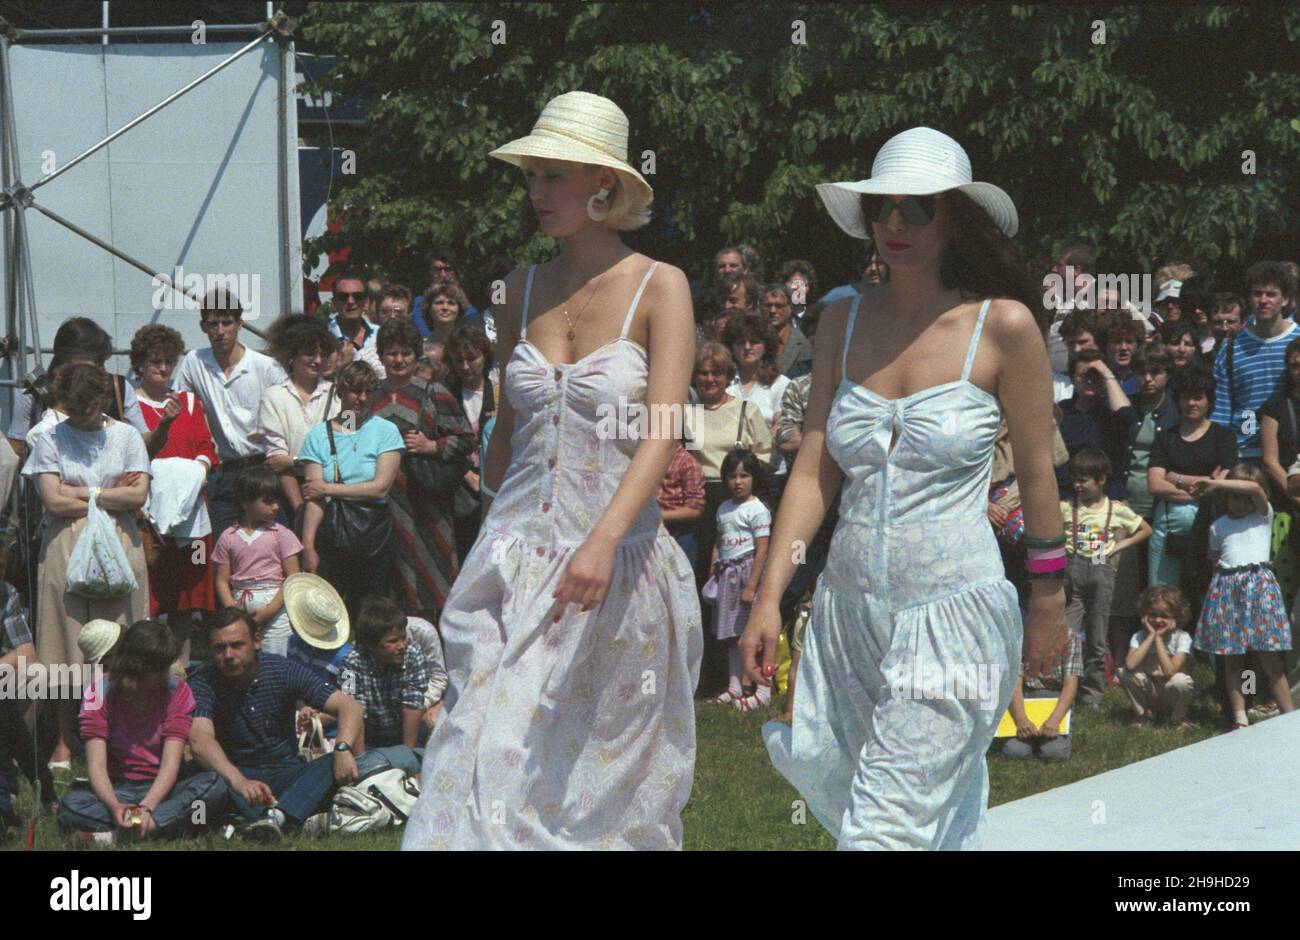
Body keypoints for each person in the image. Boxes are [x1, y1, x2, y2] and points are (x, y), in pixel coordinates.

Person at [741, 126, 1067, 850]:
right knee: (913, 816)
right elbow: (816, 468)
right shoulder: (841, 320)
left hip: (952, 612)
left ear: (955, 217)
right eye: (881, 207)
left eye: (916, 208)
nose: (893, 223)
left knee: (885, 829)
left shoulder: (1004, 326)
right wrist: (769, 594)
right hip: (847, 613)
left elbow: (1040, 477)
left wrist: (1048, 601)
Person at [401, 91, 702, 851]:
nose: (536, 193)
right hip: (515, 559)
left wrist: (601, 541)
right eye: (531, 176)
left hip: (617, 565)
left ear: (605, 185)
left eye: (553, 175)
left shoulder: (659, 285)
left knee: (596, 787)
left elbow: (663, 432)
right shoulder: (521, 290)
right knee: (477, 746)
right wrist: (487, 525)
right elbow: (508, 426)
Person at [21, 363, 151, 771]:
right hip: (66, 541)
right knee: (63, 636)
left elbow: (139, 496)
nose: (81, 414)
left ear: (102, 399)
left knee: (121, 635)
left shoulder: (126, 436)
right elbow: (53, 501)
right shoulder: (50, 438)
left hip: (118, 540)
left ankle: (122, 733)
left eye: (89, 405)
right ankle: (63, 739)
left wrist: (87, 491)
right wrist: (112, 492)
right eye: (73, 406)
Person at [188, 608, 364, 840]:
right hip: (236, 773)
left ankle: (273, 817)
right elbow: (200, 739)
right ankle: (288, 815)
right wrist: (239, 781)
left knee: (331, 763)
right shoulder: (204, 681)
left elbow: (350, 706)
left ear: (257, 641)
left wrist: (343, 748)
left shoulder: (282, 669)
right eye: (219, 648)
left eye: (236, 645)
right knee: (202, 776)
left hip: (286, 771)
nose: (228, 655)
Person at [57, 620, 227, 843]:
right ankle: (163, 825)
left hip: (164, 788)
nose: (167, 673)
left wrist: (146, 807)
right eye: (161, 668)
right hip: (118, 788)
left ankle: (116, 835)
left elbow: (170, 765)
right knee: (70, 806)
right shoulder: (98, 692)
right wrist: (115, 805)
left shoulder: (177, 690)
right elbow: (96, 766)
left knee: (215, 785)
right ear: (140, 668)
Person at [369, 318, 476, 617]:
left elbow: (467, 438)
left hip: (428, 507)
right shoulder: (370, 396)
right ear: (380, 356)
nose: (399, 359)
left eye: (405, 352)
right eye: (391, 353)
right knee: (391, 589)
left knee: (436, 585)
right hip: (384, 505)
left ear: (417, 355)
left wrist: (433, 446)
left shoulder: (434, 391)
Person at [129, 325, 219, 670]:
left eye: (169, 362)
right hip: (150, 519)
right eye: (155, 361)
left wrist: (198, 469)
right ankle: (150, 664)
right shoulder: (130, 405)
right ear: (140, 363)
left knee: (187, 594)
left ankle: (181, 667)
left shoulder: (189, 401)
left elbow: (206, 447)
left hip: (192, 520)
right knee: (153, 595)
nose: (163, 368)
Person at [170, 289, 288, 538]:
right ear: (203, 327)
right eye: (213, 324)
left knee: (274, 546)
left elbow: (288, 412)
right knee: (225, 549)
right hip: (225, 473)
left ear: (240, 324)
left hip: (263, 467)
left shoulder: (265, 367)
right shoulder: (194, 361)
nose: (220, 331)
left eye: (227, 322)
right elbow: (180, 410)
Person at [1190, 463, 1294, 727]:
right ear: (1226, 497)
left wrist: (1218, 484)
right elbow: (1216, 560)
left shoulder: (1262, 516)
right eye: (1235, 496)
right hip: (1228, 591)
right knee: (1234, 658)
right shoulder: (1218, 526)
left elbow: (1255, 487)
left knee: (1269, 658)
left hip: (1259, 590)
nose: (1241, 502)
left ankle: (1289, 717)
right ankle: (1240, 717)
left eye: (1246, 497)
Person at [300, 361, 404, 615]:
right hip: (331, 532)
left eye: (369, 392)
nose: (362, 399)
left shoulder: (386, 431)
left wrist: (328, 489)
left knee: (372, 610)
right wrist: (308, 544)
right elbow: (314, 497)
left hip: (372, 533)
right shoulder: (318, 436)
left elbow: (380, 488)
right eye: (356, 391)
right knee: (330, 609)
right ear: (341, 392)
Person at [1060, 448, 1151, 709]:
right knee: (1069, 636)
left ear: (1101, 480)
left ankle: (1092, 696)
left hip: (1101, 565)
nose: (1077, 485)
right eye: (1075, 479)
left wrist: (1117, 548)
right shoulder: (1067, 508)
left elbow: (1145, 530)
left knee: (1098, 638)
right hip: (1073, 568)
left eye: (1083, 480)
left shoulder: (1116, 509)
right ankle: (1066, 691)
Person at [1147, 365, 1239, 590]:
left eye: (1198, 398)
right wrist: (1202, 488)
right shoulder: (1165, 438)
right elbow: (1155, 484)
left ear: (1209, 400)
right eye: (1186, 398)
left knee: (1209, 592)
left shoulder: (1224, 437)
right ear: (1178, 400)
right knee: (1162, 594)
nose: (1191, 404)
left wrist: (1176, 477)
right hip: (1168, 526)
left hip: (1212, 524)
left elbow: (1224, 482)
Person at [1210, 261, 1299, 462]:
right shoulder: (1232, 346)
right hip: (1244, 450)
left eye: (1271, 294)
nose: (1263, 300)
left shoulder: (1297, 341)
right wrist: (1218, 454)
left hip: (1290, 451)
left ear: (1285, 299)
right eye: (1257, 294)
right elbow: (1223, 406)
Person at [255, 315, 340, 525]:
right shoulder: (273, 397)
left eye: (323, 354)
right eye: (310, 354)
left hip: (333, 492)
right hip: (287, 495)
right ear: (292, 356)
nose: (318, 360)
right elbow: (277, 460)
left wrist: (294, 461)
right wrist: (300, 510)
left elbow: (347, 448)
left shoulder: (340, 394)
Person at [703, 449, 771, 711]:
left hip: (747, 574)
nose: (738, 482)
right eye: (732, 476)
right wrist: (713, 569)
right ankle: (734, 687)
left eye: (744, 475)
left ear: (754, 477)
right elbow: (719, 542)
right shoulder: (723, 508)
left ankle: (763, 689)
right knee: (731, 633)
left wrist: (752, 585)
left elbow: (763, 549)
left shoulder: (757, 509)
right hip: (727, 577)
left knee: (753, 635)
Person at [213, 466, 303, 656]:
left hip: (276, 606)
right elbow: (222, 580)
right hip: (240, 605)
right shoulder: (228, 537)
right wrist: (233, 610)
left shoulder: (282, 534)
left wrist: (269, 611)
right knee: (243, 657)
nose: (276, 507)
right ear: (245, 502)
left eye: (276, 501)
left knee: (277, 656)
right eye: (268, 502)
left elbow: (293, 577)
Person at [337, 595, 431, 752]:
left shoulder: (413, 654)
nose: (401, 646)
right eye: (393, 641)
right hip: (370, 735)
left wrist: (407, 754)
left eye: (403, 638)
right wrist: (362, 761)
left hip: (405, 731)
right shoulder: (352, 663)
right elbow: (353, 711)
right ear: (370, 644)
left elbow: (412, 706)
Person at [724, 314, 791, 501]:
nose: (747, 347)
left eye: (754, 342)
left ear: (766, 346)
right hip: (729, 478)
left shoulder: (780, 384)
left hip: (769, 477)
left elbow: (781, 425)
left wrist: (750, 457)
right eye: (740, 342)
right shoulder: (724, 382)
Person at [445, 324, 497, 561]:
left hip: (496, 486)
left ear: (484, 356)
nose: (465, 366)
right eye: (458, 360)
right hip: (459, 488)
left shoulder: (499, 392)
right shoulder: (444, 394)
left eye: (471, 358)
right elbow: (439, 440)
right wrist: (466, 474)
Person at [1056, 348, 1133, 499]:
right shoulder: (1061, 411)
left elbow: (1125, 414)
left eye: (1095, 376)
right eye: (1084, 376)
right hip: (1067, 495)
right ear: (1072, 379)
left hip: (1107, 496)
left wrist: (1106, 373)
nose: (1090, 381)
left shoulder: (1110, 410)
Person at [1258, 336, 1300, 609]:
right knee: (1281, 596)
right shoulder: (1275, 405)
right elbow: (1270, 460)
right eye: (1295, 365)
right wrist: (1296, 496)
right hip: (1287, 509)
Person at [1118, 585, 1197, 730]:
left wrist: (1159, 639)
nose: (1157, 620)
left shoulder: (1182, 638)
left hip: (1171, 693)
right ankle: (1142, 714)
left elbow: (1169, 671)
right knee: (1124, 673)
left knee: (1181, 681)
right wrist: (1150, 637)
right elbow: (1130, 664)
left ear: (1176, 617)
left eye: (1165, 616)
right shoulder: (1139, 636)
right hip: (1150, 690)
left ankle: (1177, 718)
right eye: (1153, 615)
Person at [1002, 626, 1082, 762]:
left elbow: (1070, 684)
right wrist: (1021, 720)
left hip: (1056, 699)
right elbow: (1015, 683)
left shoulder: (1070, 637)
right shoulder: (1019, 636)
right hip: (1025, 698)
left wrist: (1054, 720)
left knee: (1054, 753)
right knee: (1014, 751)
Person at [656, 432, 706, 568]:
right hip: (655, 530)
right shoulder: (650, 461)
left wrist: (658, 516)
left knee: (681, 574)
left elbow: (694, 510)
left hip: (679, 532)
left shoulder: (688, 463)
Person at [759, 283, 813, 378]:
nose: (772, 311)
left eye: (779, 306)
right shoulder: (750, 338)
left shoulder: (801, 343)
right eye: (767, 305)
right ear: (759, 307)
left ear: (790, 308)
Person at [328, 269, 378, 355]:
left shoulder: (380, 335)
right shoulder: (322, 336)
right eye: (343, 296)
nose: (350, 301)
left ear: (366, 303)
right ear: (334, 303)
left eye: (358, 296)